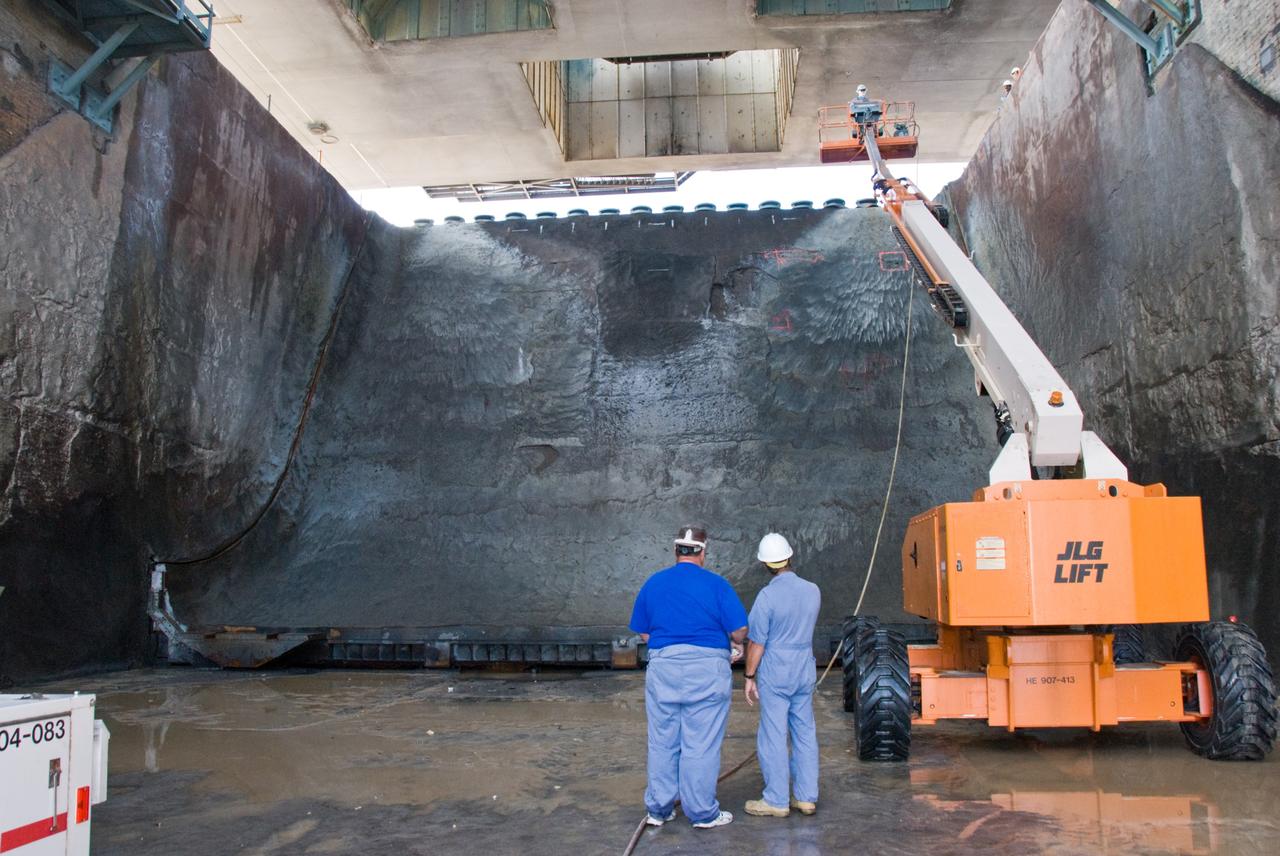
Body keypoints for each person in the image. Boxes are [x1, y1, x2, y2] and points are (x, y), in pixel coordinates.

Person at [630, 526, 748, 830]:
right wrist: (734, 642)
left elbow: (644, 630)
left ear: (675, 551)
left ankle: (658, 809)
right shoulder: (718, 585)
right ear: (703, 552)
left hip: (664, 668)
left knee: (662, 741)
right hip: (707, 670)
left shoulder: (654, 583)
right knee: (701, 744)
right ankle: (703, 813)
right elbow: (739, 631)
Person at [742, 533, 822, 818]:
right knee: (804, 731)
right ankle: (806, 797)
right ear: (790, 556)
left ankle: (776, 800)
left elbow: (757, 642)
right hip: (804, 665)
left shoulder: (767, 596)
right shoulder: (813, 590)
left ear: (766, 564)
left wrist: (749, 676)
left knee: (774, 734)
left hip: (777, 668)